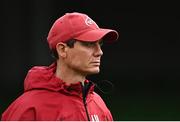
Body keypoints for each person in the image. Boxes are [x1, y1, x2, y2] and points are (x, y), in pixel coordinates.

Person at [1, 12, 119, 121]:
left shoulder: (98, 104)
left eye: (100, 44)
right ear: (62, 49)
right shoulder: (29, 109)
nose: (99, 52)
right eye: (89, 44)